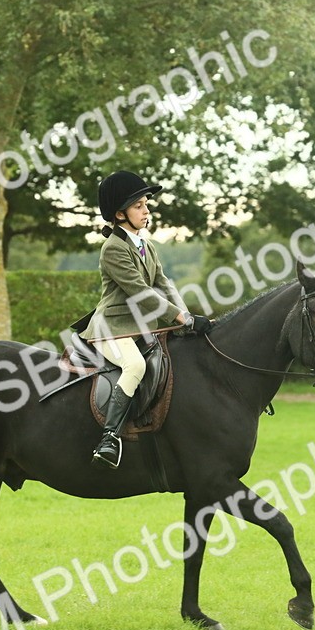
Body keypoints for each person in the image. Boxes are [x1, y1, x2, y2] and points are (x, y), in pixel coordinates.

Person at [74, 170, 211, 469]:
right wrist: (181, 317)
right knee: (135, 366)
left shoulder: (146, 245)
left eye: (146, 204)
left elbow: (164, 285)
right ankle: (109, 438)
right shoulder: (113, 249)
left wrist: (185, 317)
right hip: (112, 329)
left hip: (140, 327)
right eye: (139, 206)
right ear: (119, 214)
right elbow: (141, 292)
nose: (146, 210)